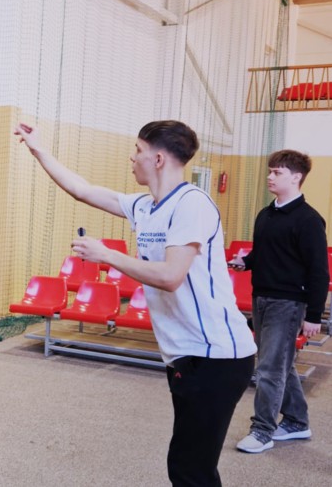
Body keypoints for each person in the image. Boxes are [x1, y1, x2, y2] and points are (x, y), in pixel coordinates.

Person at [14, 120, 257, 487]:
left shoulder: (192, 204)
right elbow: (82, 190)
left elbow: (171, 276)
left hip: (216, 357)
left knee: (190, 468)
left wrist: (106, 255)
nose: (132, 157)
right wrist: (38, 149)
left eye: (138, 150)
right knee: (189, 464)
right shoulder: (144, 206)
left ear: (158, 159)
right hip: (185, 355)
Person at [230, 150, 329, 454]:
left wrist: (313, 315)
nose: (270, 177)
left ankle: (263, 431)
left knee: (269, 369)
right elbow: (264, 253)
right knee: (280, 366)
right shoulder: (266, 214)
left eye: (277, 172)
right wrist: (246, 263)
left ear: (296, 177)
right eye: (270, 171)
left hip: (288, 304)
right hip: (261, 298)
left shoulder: (309, 220)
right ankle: (297, 421)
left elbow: (319, 271)